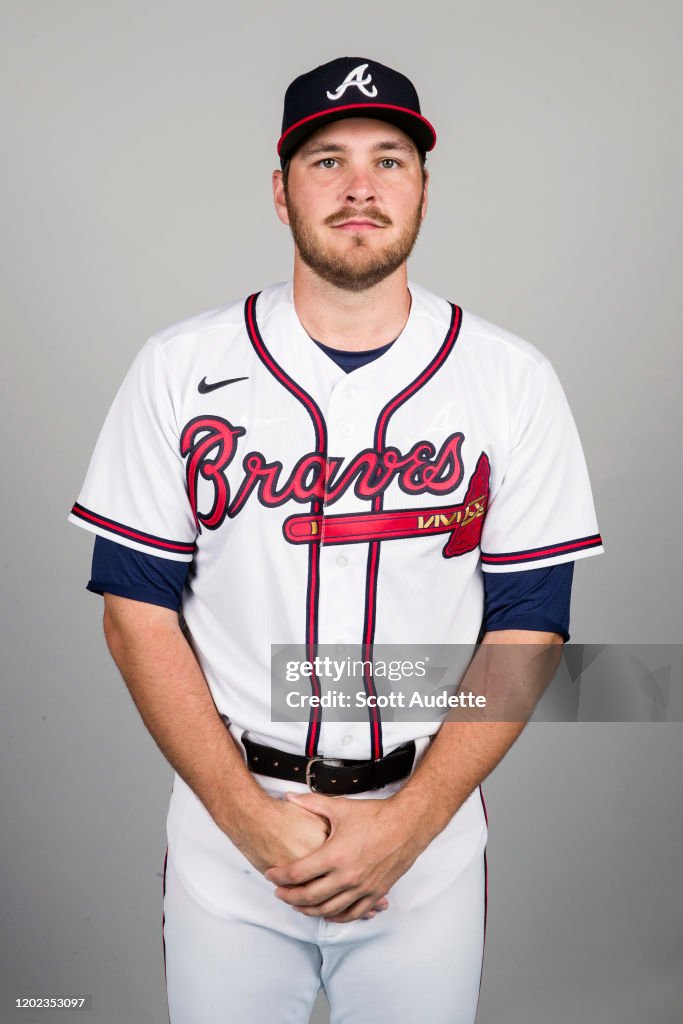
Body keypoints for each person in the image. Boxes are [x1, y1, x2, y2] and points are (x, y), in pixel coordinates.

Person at [68, 57, 603, 1024]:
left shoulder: (509, 379)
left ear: (423, 191)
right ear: (280, 193)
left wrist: (409, 826)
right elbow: (134, 613)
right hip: (229, 825)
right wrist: (248, 823)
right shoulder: (178, 369)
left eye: (389, 160)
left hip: (424, 833)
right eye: (326, 160)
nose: (360, 185)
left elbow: (529, 630)